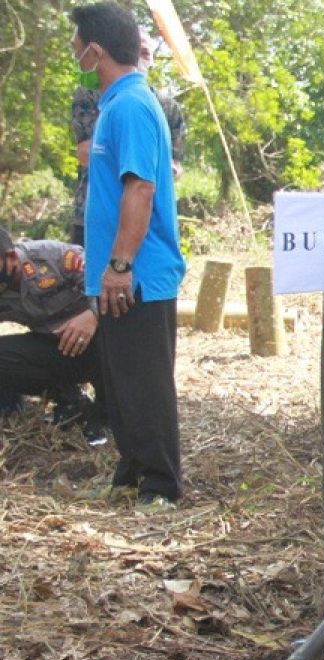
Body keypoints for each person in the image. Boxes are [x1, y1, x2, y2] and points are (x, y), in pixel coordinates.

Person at [69, 2, 187, 510]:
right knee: (117, 383)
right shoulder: (113, 104)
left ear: (94, 50)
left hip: (140, 274)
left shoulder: (135, 105)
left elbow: (140, 189)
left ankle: (162, 486)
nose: (74, 53)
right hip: (113, 275)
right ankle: (131, 472)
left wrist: (120, 265)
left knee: (145, 383)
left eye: (77, 45)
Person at [69, 29, 185, 247]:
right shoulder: (91, 95)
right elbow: (85, 152)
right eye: (136, 51)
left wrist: (158, 169)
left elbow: (175, 165)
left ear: (153, 60)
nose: (141, 58)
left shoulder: (168, 107)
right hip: (94, 215)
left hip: (148, 219)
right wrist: (136, 156)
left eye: (146, 53)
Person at [0, 228, 106, 445]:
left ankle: (105, 408)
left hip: (102, 344)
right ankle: (68, 398)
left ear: (10, 256)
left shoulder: (52, 256)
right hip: (58, 351)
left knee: (116, 412)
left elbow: (107, 281)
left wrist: (92, 316)